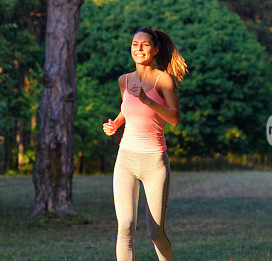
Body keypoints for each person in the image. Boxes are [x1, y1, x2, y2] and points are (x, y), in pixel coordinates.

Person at [102, 27, 188, 261]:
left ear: (155, 49)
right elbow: (127, 109)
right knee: (125, 226)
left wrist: (147, 100)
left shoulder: (164, 80)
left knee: (155, 232)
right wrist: (116, 123)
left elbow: (174, 119)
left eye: (145, 44)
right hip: (126, 160)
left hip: (154, 162)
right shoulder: (124, 80)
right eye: (134, 44)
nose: (138, 48)